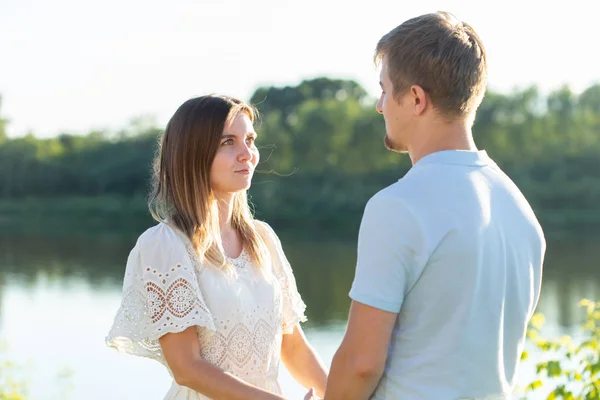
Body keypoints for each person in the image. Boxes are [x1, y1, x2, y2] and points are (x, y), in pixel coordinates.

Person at [322, 11, 545, 400]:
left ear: (415, 98)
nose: (379, 105)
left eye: (384, 89)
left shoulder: (397, 206)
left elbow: (361, 363)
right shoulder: (521, 212)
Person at [106, 95, 328, 400]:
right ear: (193, 153)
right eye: (228, 142)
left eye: (250, 140)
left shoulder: (263, 239)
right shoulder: (165, 245)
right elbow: (187, 368)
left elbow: (292, 345)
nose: (247, 154)